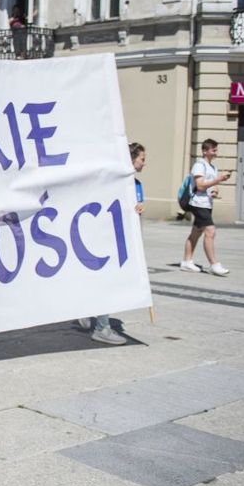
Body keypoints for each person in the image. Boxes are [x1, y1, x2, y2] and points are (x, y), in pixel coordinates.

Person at [79, 142, 145, 345]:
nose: (144, 163)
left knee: (104, 280)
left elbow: (134, 212)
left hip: (121, 240)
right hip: (105, 238)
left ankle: (87, 308)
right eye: (142, 159)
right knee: (106, 281)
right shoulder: (111, 182)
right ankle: (101, 326)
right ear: (132, 159)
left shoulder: (136, 184)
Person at [182, 138, 232, 276]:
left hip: (207, 203)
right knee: (210, 231)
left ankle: (186, 262)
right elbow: (200, 185)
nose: (216, 152)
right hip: (197, 204)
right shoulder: (199, 165)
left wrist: (215, 190)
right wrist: (218, 179)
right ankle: (214, 265)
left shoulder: (213, 167)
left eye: (216, 149)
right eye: (213, 150)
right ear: (205, 151)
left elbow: (210, 186)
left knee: (196, 232)